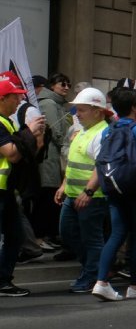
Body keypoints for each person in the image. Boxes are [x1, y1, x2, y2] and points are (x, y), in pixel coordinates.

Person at [91, 86, 136, 301]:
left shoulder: (107, 130)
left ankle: (101, 282)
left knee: (116, 234)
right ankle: (135, 286)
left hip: (114, 188)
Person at [56, 87, 110, 293]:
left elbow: (100, 166)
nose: (77, 114)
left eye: (82, 110)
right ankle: (95, 268)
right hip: (72, 194)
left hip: (92, 197)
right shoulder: (83, 131)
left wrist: (88, 192)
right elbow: (73, 162)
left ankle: (91, 275)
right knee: (67, 233)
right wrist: (63, 186)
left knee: (91, 238)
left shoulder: (103, 132)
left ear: (97, 111)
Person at [0, 74, 46, 296]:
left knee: (16, 235)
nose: (19, 101)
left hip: (7, 190)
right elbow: (12, 154)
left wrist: (35, 139)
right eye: (14, 97)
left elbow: (23, 152)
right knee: (12, 235)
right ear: (2, 98)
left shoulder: (7, 122)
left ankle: (3, 281)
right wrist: (28, 132)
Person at [35, 72, 72, 247]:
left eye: (68, 84)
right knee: (47, 195)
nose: (66, 87)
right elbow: (57, 132)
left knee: (51, 196)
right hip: (50, 156)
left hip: (56, 154)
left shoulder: (57, 104)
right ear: (52, 86)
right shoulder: (49, 103)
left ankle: (48, 234)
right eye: (62, 83)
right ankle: (40, 236)